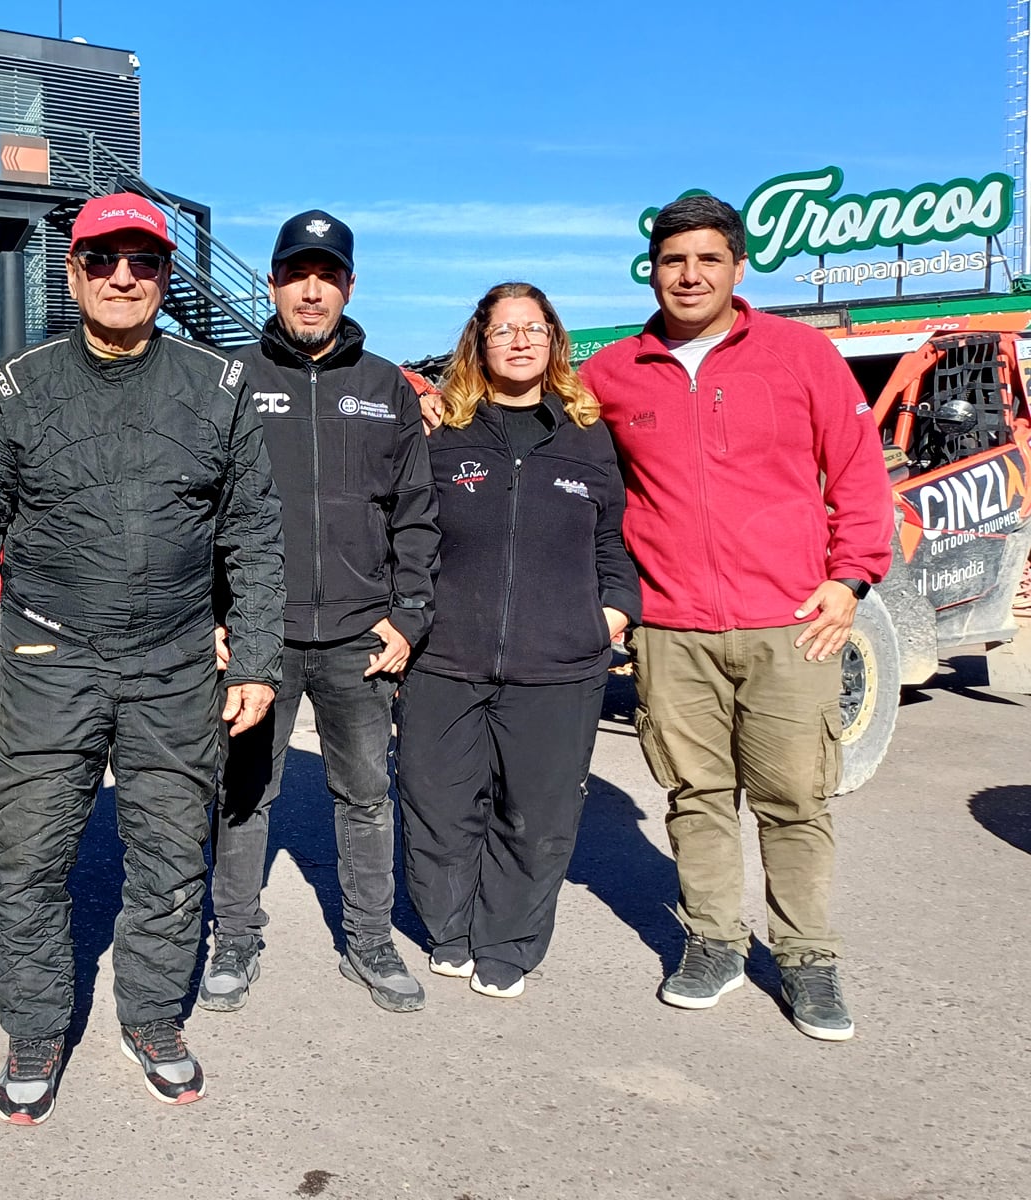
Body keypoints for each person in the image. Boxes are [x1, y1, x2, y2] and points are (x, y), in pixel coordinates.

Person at [0, 193, 284, 1125]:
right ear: (73, 270)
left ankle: (154, 1017)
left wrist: (252, 659)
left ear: (165, 277)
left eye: (142, 260)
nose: (123, 276)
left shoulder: (216, 385)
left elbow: (252, 530)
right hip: (49, 655)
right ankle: (38, 1024)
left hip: (175, 660)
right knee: (28, 858)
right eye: (104, 259)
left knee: (172, 856)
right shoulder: (15, 387)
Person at [580, 194, 893, 1041]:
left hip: (790, 622)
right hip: (673, 629)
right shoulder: (613, 372)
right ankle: (714, 942)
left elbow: (860, 472)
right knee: (696, 794)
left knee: (795, 797)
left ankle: (808, 959)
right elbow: (543, 444)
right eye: (674, 259)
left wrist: (851, 578)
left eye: (707, 259)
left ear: (737, 267)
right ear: (652, 268)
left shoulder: (798, 355)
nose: (689, 275)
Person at [200, 210, 439, 1014]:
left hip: (358, 636)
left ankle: (369, 940)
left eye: (327, 274)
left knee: (366, 793)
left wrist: (408, 615)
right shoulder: (230, 379)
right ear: (272, 283)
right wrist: (213, 611)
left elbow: (416, 511)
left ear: (348, 285)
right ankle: (234, 936)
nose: (312, 289)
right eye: (297, 273)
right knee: (244, 793)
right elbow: (200, 506)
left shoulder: (386, 388)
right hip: (258, 636)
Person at [395, 282, 640, 1000]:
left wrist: (610, 617)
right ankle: (449, 927)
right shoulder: (443, 434)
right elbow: (407, 536)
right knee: (438, 805)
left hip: (559, 667)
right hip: (445, 660)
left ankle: (507, 942)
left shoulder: (588, 436)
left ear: (555, 341)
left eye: (534, 327)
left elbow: (614, 547)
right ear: (480, 342)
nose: (521, 340)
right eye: (504, 330)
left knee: (535, 816)